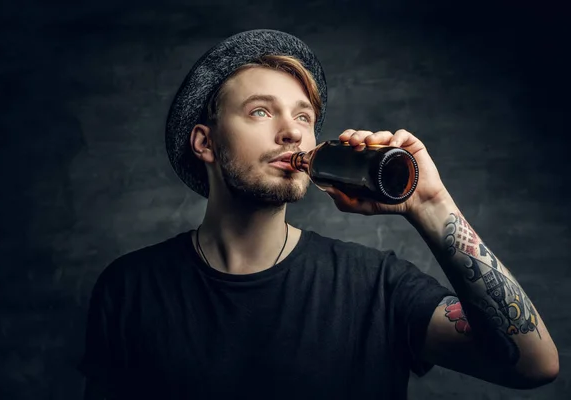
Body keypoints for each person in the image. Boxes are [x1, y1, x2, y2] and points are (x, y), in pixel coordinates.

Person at [79, 30, 559, 399]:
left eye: (304, 116)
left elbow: (532, 364)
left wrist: (430, 204)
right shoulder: (129, 288)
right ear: (205, 142)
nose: (292, 132)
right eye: (261, 112)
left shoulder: (377, 286)